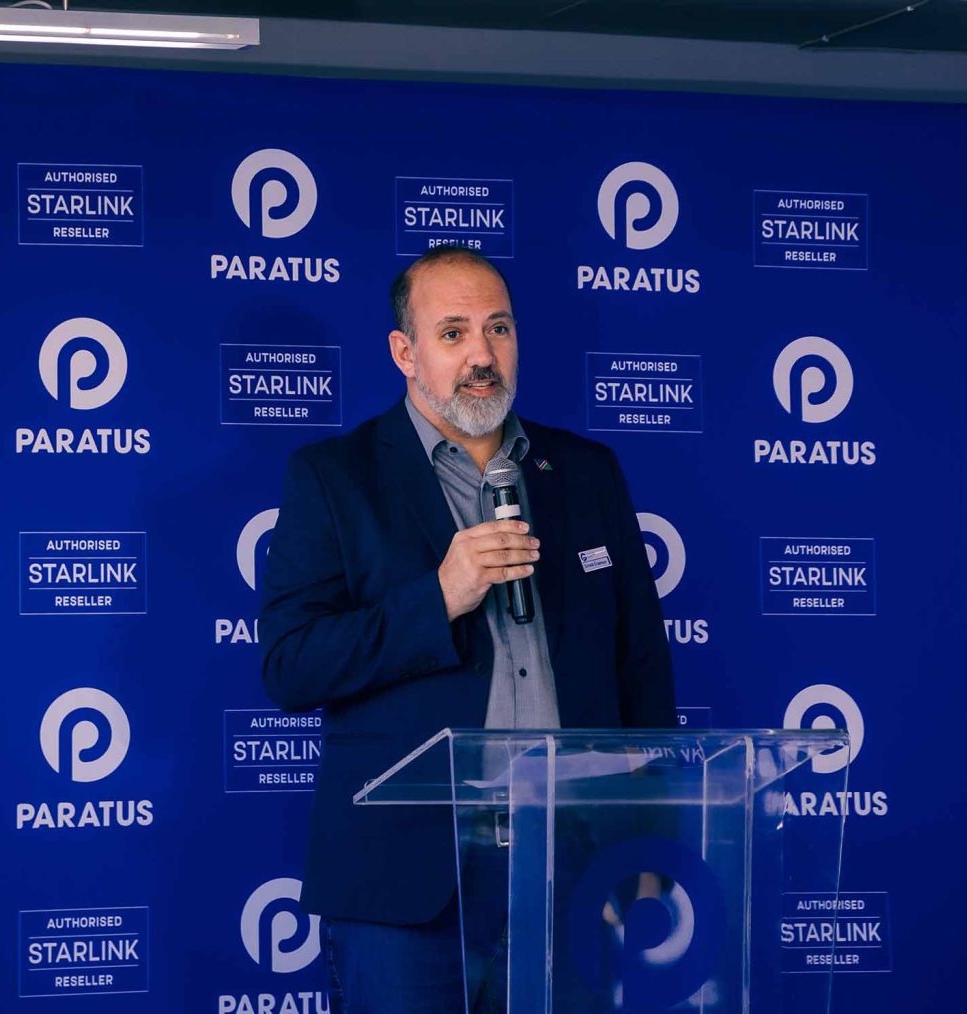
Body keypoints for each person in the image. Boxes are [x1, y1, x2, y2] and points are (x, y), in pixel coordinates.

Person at [259, 247, 675, 1013]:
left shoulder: (587, 471)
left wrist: (646, 843)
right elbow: (291, 666)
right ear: (405, 352)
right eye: (453, 333)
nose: (482, 355)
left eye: (498, 329)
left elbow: (641, 670)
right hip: (404, 888)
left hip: (572, 870)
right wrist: (440, 596)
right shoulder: (334, 477)